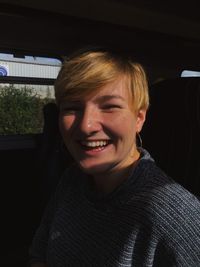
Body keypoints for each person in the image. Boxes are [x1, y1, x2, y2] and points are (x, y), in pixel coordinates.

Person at [29, 47, 200, 267]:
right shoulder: (72, 179)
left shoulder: (175, 213)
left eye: (109, 107)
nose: (86, 125)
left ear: (139, 118)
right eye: (72, 108)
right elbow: (39, 254)